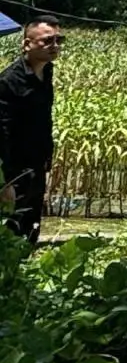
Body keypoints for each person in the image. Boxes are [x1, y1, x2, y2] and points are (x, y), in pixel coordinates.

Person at [0, 18, 62, 247]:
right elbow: (1, 133)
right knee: (11, 231)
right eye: (47, 41)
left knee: (31, 228)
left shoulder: (47, 74)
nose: (54, 45)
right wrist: (5, 184)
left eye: (58, 40)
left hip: (36, 166)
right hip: (14, 172)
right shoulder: (9, 81)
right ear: (27, 44)